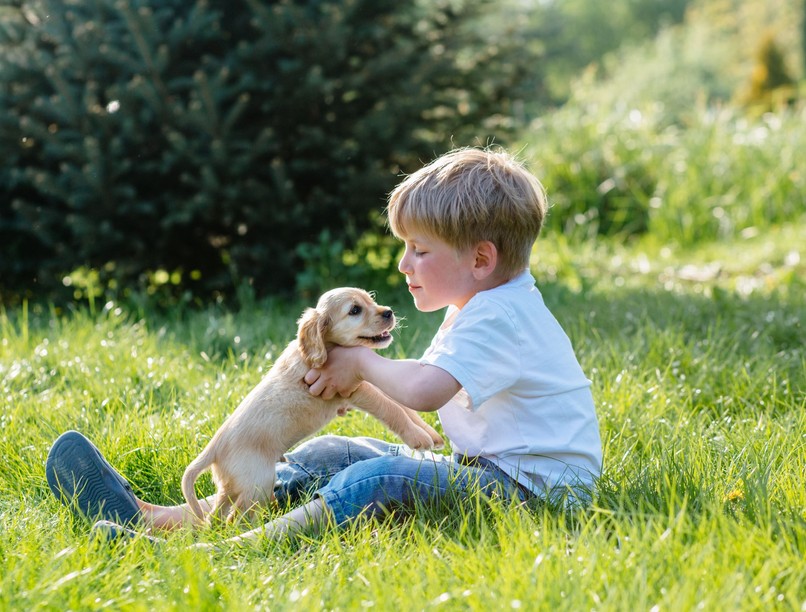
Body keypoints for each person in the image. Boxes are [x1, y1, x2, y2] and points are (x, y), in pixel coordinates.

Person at [46, 147, 602, 546]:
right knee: (327, 454)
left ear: (480, 260)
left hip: (532, 496)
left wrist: (359, 360)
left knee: (373, 479)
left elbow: (427, 390)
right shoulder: (481, 306)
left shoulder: (501, 316)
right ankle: (162, 517)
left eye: (419, 250)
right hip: (486, 471)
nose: (404, 264)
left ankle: (219, 549)